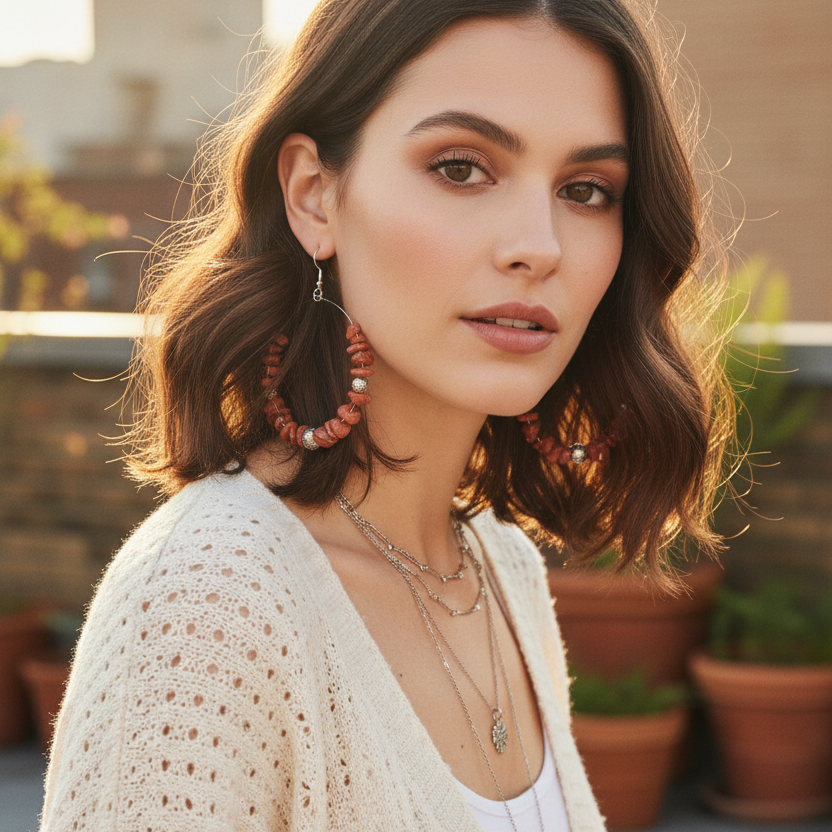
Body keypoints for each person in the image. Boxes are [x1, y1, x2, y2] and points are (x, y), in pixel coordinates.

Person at [39, 1, 732, 829]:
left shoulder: (501, 570)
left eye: (587, 190)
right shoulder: (204, 603)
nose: (538, 244)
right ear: (315, 196)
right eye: (461, 168)